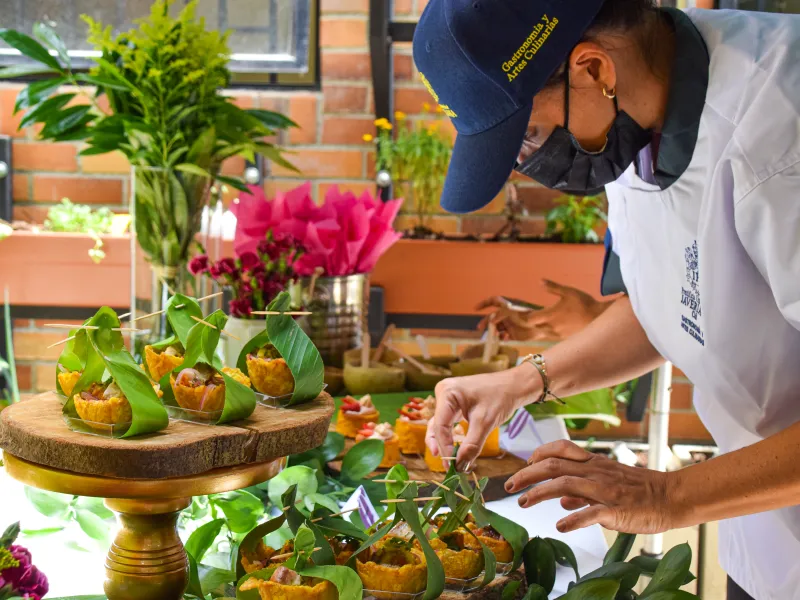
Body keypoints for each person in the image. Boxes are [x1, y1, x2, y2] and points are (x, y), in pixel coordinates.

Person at [412, 1, 800, 598]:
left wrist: (667, 495)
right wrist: (521, 381)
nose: (525, 165)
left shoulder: (780, 131)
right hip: (765, 534)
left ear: (593, 68)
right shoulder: (631, 117)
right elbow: (671, 306)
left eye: (528, 136)